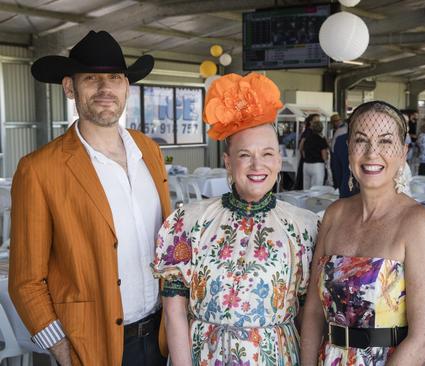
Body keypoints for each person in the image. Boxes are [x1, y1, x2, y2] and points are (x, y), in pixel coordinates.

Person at [9, 30, 171, 365]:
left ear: (126, 86)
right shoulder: (39, 170)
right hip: (92, 347)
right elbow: (26, 282)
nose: (105, 89)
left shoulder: (149, 151)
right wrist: (64, 351)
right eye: (91, 78)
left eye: (114, 77)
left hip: (161, 336)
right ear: (70, 87)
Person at [153, 72, 319, 364]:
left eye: (267, 154)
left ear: (279, 161)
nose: (258, 165)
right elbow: (174, 312)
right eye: (245, 155)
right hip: (206, 356)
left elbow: (309, 315)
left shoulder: (304, 227)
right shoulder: (189, 221)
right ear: (228, 162)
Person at [300, 101, 425, 365]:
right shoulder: (334, 214)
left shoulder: (420, 223)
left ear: (403, 153)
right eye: (361, 140)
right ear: (348, 150)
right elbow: (313, 312)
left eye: (385, 142)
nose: (372, 153)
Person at [302, 119, 329, 189]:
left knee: (306, 189)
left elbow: (302, 150)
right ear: (322, 129)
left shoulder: (307, 139)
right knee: (316, 189)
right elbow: (324, 156)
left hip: (306, 164)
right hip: (317, 165)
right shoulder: (321, 140)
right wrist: (327, 160)